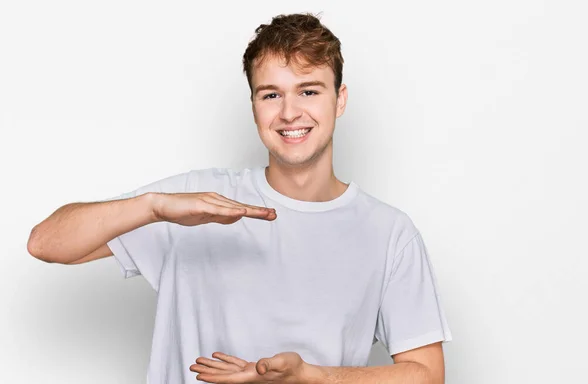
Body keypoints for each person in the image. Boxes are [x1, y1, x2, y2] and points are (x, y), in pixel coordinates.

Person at [27, 12, 452, 384]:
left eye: (309, 91)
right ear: (253, 105)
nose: (289, 113)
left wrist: (310, 377)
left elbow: (425, 375)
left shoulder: (389, 233)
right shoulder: (194, 201)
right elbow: (46, 243)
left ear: (339, 100)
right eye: (271, 94)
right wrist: (153, 207)